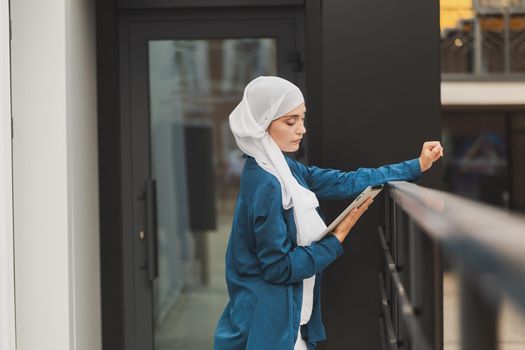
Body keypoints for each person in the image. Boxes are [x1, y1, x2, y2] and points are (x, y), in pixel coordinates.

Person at [214, 76, 443, 350]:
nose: (302, 129)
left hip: (284, 321)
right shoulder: (267, 183)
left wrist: (415, 166)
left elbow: (344, 181)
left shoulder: (283, 169)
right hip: (270, 330)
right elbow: (278, 268)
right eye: (291, 121)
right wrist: (337, 237)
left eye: (302, 118)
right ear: (263, 125)